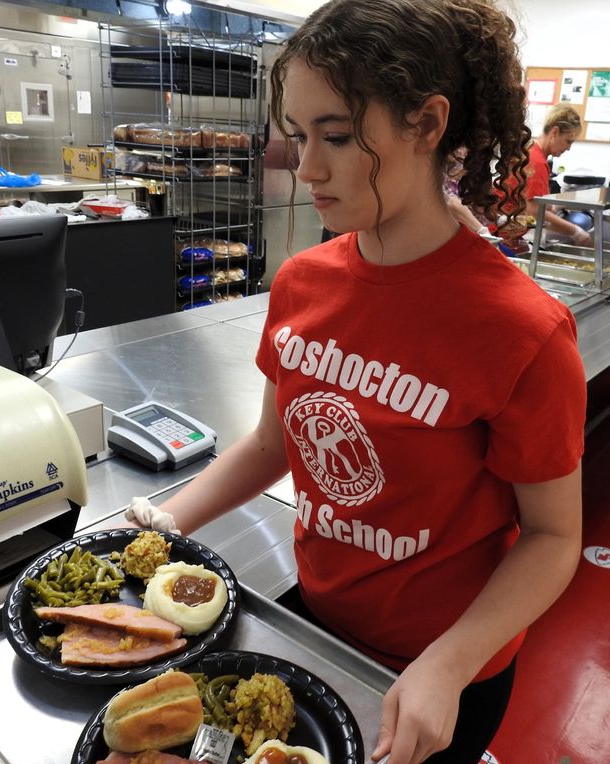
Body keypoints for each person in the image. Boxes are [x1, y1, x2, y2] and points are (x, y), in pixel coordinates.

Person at [126, 1, 586, 763]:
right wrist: (166, 521)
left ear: (428, 125)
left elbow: (551, 536)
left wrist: (449, 663)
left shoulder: (521, 331)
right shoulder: (304, 282)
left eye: (337, 137)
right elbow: (274, 443)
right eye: (301, 137)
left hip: (445, 670)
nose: (307, 169)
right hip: (316, 628)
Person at [519, 103, 591, 247]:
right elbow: (533, 211)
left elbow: (530, 201)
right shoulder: (537, 161)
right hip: (511, 234)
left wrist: (552, 206)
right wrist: (576, 231)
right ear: (554, 132)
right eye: (568, 141)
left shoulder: (533, 152)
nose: (569, 148)